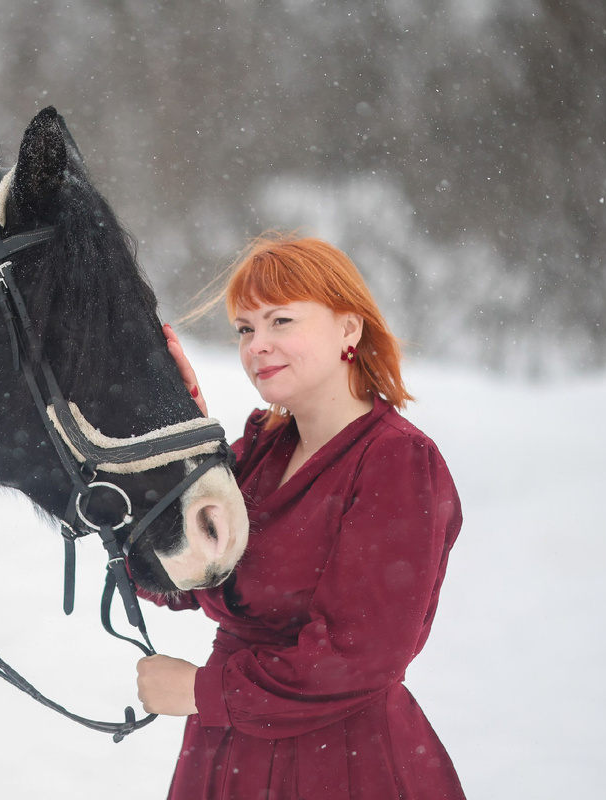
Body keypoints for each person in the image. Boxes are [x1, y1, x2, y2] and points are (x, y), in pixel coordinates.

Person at [135, 234, 464, 799]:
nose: (257, 345)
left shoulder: (397, 461)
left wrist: (201, 692)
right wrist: (175, 441)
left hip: (338, 764)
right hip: (226, 757)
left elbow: (358, 655)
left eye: (281, 321)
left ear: (349, 329)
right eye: (245, 329)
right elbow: (177, 576)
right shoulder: (260, 451)